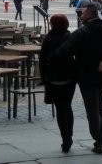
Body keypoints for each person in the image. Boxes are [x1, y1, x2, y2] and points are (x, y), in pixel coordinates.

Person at [51, 4, 102, 154]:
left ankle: (99, 140)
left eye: (83, 13)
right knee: (100, 105)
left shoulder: (81, 33)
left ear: (89, 14)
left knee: (92, 108)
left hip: (86, 76)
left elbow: (65, 50)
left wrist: (50, 56)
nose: (81, 15)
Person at [39, 14, 76, 153]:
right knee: (68, 107)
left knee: (60, 110)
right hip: (69, 78)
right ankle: (69, 135)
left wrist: (44, 78)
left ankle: (65, 139)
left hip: (54, 79)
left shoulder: (48, 39)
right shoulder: (70, 36)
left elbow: (42, 61)